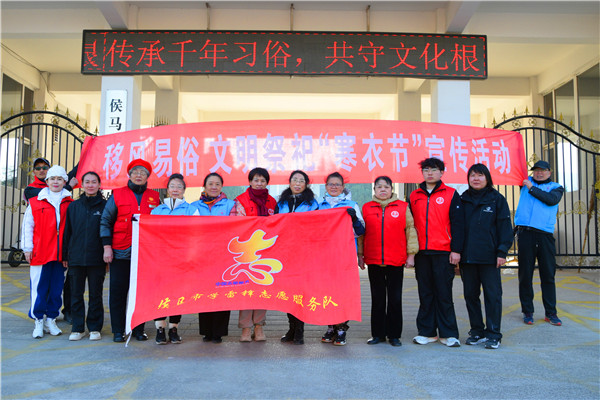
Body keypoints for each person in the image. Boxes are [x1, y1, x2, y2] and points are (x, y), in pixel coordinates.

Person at [100, 159, 161, 343]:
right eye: (135, 172)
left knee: (141, 294)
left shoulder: (154, 197)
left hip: (145, 254)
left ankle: (138, 329)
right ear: (129, 175)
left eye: (143, 173)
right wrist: (107, 247)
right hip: (120, 252)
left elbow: (160, 224)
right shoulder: (117, 194)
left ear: (148, 176)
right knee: (118, 293)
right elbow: (105, 221)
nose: (139, 175)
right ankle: (118, 330)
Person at [408, 157, 464, 348]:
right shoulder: (414, 196)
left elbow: (458, 224)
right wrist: (411, 252)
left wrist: (456, 250)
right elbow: (409, 226)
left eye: (433, 169)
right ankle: (427, 332)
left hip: (443, 252)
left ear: (441, 172)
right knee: (425, 293)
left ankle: (449, 334)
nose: (429, 173)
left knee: (443, 293)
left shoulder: (451, 194)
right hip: (422, 253)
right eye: (426, 170)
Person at [358, 176, 418, 347]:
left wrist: (411, 254)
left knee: (395, 299)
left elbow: (410, 230)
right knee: (377, 299)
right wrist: (360, 254)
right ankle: (377, 334)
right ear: (374, 190)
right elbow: (361, 234)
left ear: (391, 189)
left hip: (395, 261)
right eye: (379, 187)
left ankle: (394, 335)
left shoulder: (402, 207)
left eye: (386, 187)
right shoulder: (367, 207)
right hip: (374, 260)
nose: (383, 190)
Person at [459, 164, 513, 350]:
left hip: (490, 257)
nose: (476, 179)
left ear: (487, 178)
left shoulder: (497, 199)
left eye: (480, 175)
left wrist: (502, 251)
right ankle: (477, 331)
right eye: (472, 175)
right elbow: (457, 227)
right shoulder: (463, 199)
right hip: (468, 258)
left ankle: (493, 334)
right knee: (470, 295)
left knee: (493, 296)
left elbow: (505, 228)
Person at [21, 165, 73, 338]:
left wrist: (68, 253)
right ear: (47, 181)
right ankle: (38, 320)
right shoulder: (36, 201)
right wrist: (27, 248)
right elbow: (28, 226)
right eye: (52, 179)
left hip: (60, 255)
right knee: (39, 288)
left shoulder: (70, 203)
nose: (55, 182)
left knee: (56, 288)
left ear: (64, 181)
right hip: (40, 252)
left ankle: (51, 318)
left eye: (59, 179)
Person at [514, 160, 565, 326]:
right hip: (525, 234)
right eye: (536, 170)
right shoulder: (524, 182)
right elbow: (513, 169)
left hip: (544, 236)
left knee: (548, 275)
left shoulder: (556, 187)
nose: (539, 173)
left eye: (543, 170)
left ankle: (551, 313)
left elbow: (551, 200)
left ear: (549, 172)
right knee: (525, 275)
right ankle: (527, 311)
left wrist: (531, 188)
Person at [150, 173, 198, 344]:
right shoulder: (157, 210)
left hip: (181, 258)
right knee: (159, 293)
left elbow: (197, 233)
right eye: (172, 186)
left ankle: (174, 328)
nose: (175, 189)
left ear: (184, 190)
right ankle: (160, 329)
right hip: (160, 259)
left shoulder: (191, 210)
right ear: (167, 189)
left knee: (178, 293)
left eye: (179, 186)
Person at [318, 172, 365, 346]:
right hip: (324, 256)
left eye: (337, 184)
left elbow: (361, 231)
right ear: (326, 186)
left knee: (343, 292)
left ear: (343, 186)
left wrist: (354, 218)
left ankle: (341, 329)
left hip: (344, 256)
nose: (334, 187)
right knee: (326, 292)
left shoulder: (352, 205)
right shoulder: (319, 205)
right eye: (331, 184)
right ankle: (330, 326)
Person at [276, 170, 319, 345]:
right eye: (295, 180)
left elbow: (316, 227)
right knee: (289, 292)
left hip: (303, 253)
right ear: (290, 183)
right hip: (285, 253)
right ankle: (292, 328)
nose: (298, 183)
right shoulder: (281, 203)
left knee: (300, 292)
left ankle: (300, 330)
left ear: (306, 184)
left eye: (301, 181)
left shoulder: (312, 203)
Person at [192, 172, 236, 343]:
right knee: (204, 292)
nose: (214, 187)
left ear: (222, 187)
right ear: (204, 186)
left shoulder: (231, 205)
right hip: (201, 256)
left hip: (223, 256)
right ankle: (206, 331)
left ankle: (218, 332)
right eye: (210, 184)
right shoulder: (194, 206)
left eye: (217, 184)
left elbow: (234, 228)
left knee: (222, 292)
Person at [62, 171, 107, 341]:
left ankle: (95, 328)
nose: (90, 185)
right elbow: (67, 232)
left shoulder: (105, 206)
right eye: (87, 182)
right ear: (82, 184)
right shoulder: (74, 206)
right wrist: (65, 255)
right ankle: (78, 328)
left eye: (94, 182)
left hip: (97, 258)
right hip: (76, 258)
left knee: (95, 294)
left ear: (99, 185)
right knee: (76, 294)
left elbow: (108, 231)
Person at [234, 167, 277, 342]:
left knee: (262, 288)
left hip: (265, 251)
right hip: (246, 252)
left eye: (262, 181)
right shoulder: (240, 200)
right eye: (256, 180)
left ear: (267, 183)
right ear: (250, 181)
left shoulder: (272, 202)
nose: (259, 183)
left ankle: (259, 326)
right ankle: (245, 328)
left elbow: (276, 225)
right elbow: (238, 224)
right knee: (246, 290)